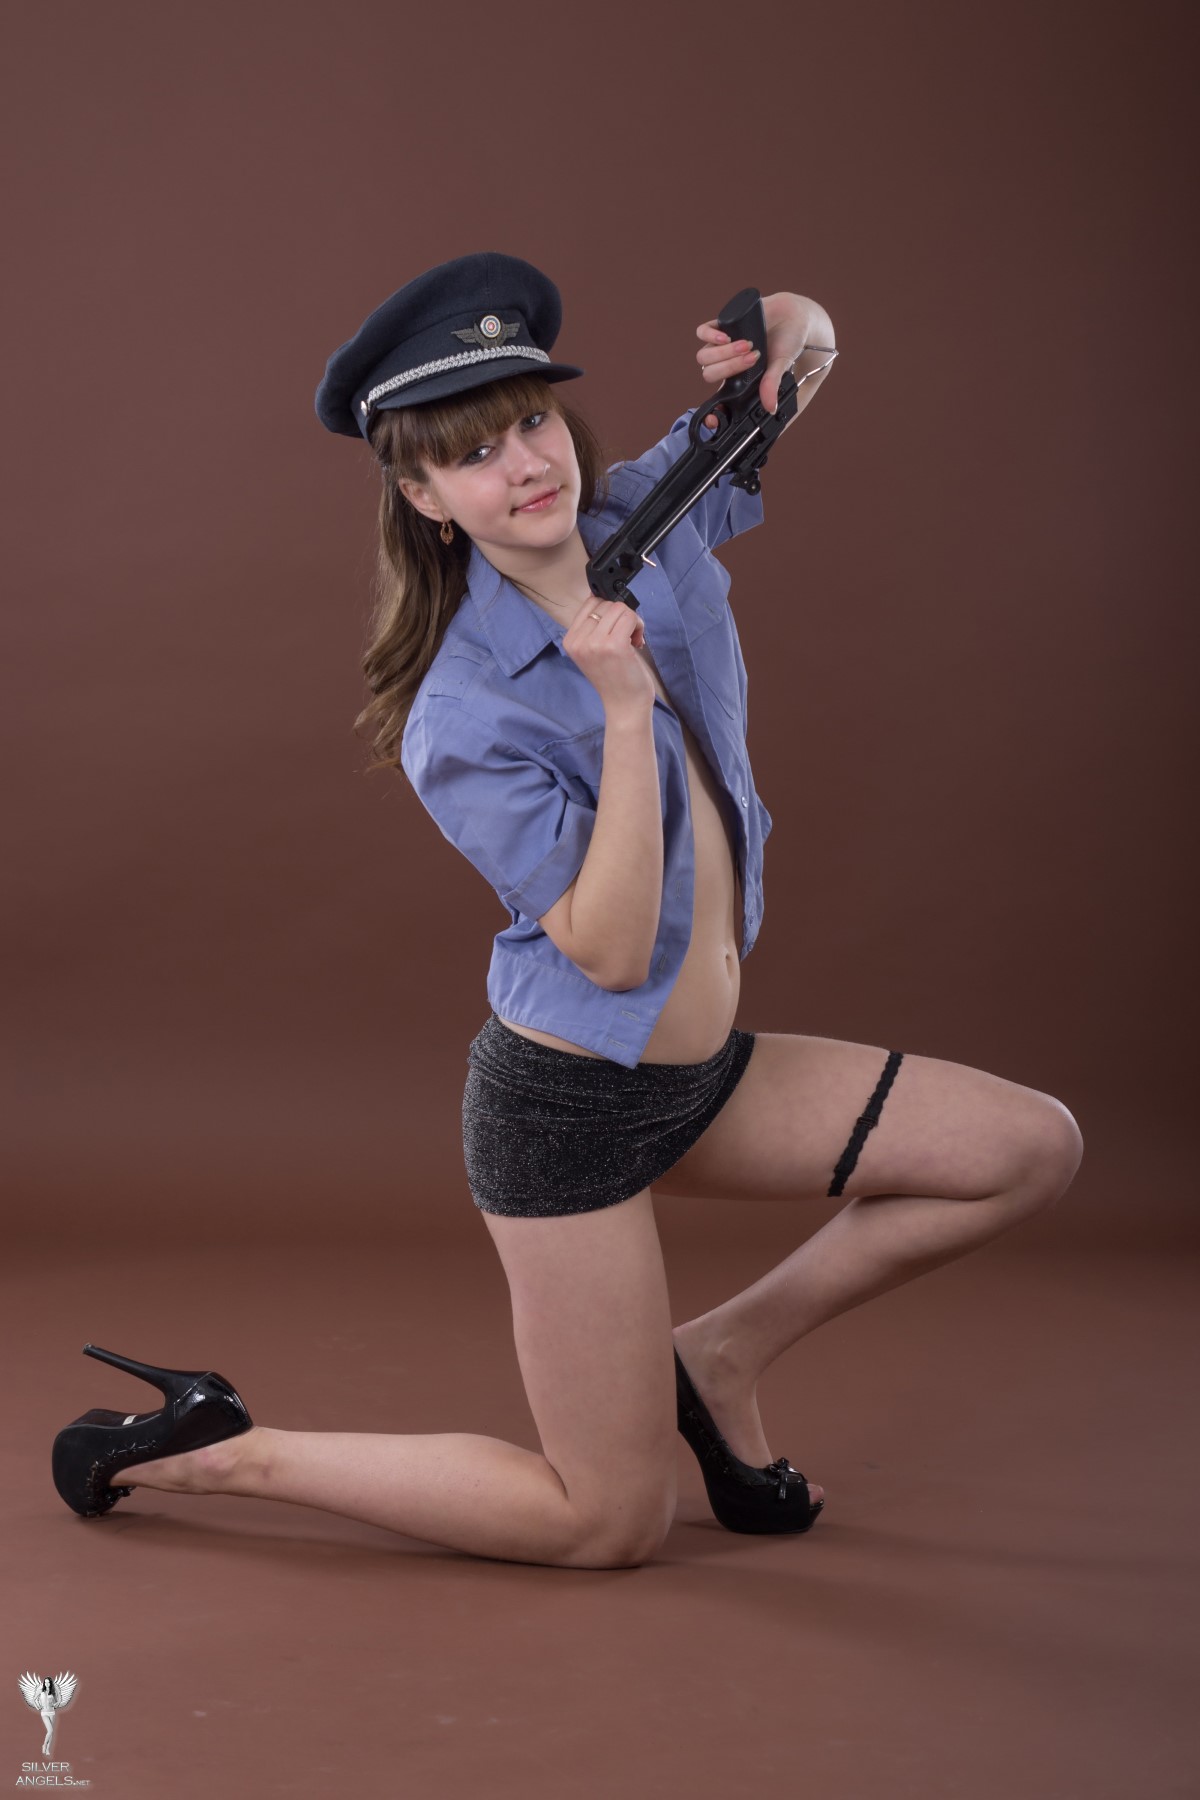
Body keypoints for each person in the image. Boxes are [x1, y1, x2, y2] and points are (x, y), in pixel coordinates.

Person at [51, 252, 1084, 1569]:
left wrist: (778, 327)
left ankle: (718, 1355)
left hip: (699, 1076)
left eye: (533, 419)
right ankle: (218, 1446)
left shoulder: (648, 516)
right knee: (607, 1522)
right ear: (424, 497)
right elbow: (604, 948)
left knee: (1028, 1148)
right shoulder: (460, 714)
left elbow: (804, 361)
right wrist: (623, 710)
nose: (527, 464)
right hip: (570, 1110)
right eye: (474, 453)